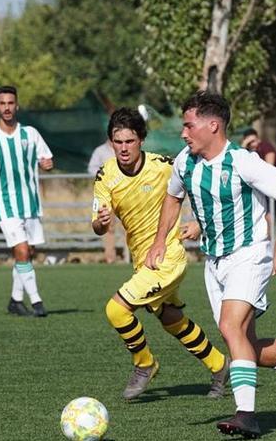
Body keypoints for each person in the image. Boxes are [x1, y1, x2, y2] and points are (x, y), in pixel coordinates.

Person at [145, 91, 276, 439]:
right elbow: (173, 197)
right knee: (246, 346)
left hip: (250, 254)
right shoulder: (184, 162)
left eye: (189, 125)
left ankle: (247, 415)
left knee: (229, 326)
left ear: (213, 125)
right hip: (215, 261)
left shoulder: (242, 161)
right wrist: (162, 239)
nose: (183, 133)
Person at [92, 107, 229, 400]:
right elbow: (97, 224)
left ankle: (145, 364)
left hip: (168, 256)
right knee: (171, 318)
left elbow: (205, 189)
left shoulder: (164, 166)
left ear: (141, 139)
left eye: (130, 141)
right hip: (143, 261)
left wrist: (200, 225)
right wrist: (101, 223)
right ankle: (219, 365)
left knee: (116, 309)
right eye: (118, 142)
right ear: (111, 142)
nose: (124, 148)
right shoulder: (105, 175)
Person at [0, 86, 54, 317]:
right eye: (2, 103)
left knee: (27, 253)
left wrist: (47, 164)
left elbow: (46, 158)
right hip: (4, 203)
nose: (6, 108)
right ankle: (37, 302)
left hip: (31, 203)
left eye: (10, 103)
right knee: (22, 249)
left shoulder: (31, 133)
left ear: (17, 106)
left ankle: (15, 301)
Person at [88, 138, 118, 264]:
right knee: (108, 226)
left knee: (131, 225)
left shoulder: (125, 148)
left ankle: (133, 256)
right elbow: (91, 169)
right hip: (107, 195)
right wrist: (106, 175)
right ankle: (110, 257)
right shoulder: (100, 151)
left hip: (127, 193)